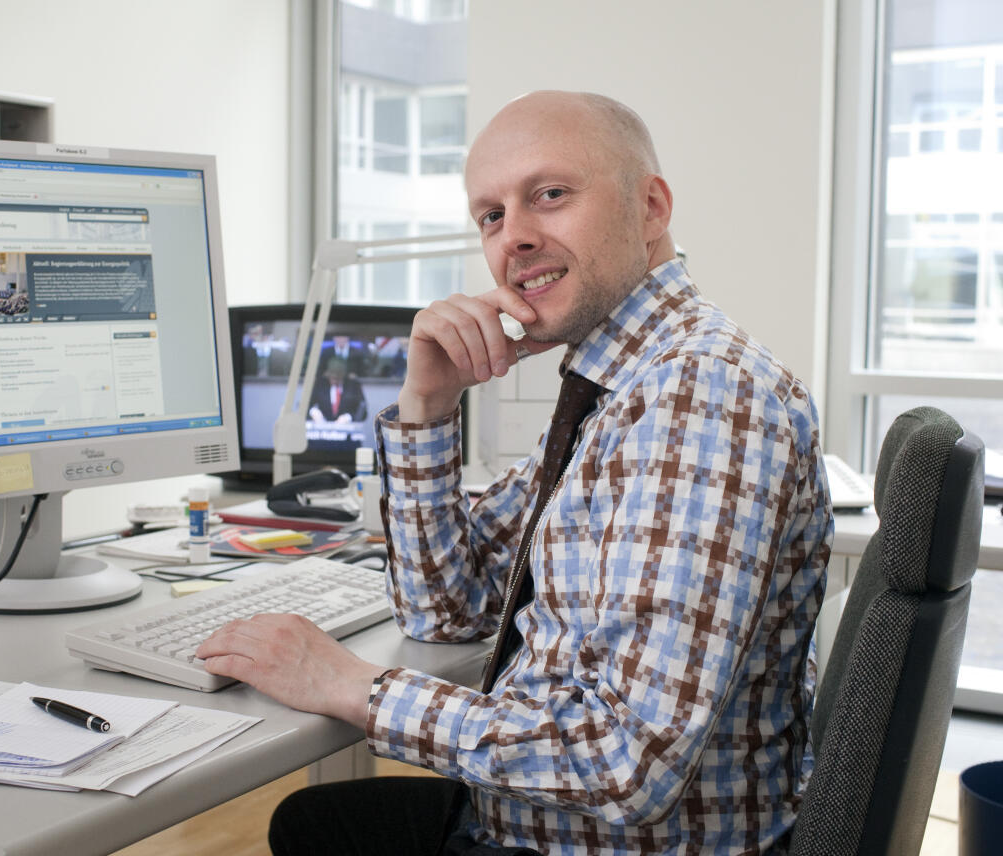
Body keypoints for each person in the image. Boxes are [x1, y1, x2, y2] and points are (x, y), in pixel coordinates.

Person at [196, 90, 833, 855]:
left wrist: (348, 685)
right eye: (491, 216)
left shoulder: (696, 394)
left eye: (550, 195)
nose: (514, 239)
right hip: (548, 824)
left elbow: (625, 762)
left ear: (652, 207)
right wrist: (428, 405)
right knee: (313, 822)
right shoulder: (623, 383)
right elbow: (447, 608)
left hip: (603, 844)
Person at [308, 356, 369, 423]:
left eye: (337, 378)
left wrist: (348, 417)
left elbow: (363, 412)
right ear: (328, 374)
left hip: (347, 429)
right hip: (322, 428)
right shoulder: (320, 385)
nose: (335, 380)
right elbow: (305, 406)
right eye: (332, 377)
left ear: (343, 375)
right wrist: (313, 412)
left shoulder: (354, 386)